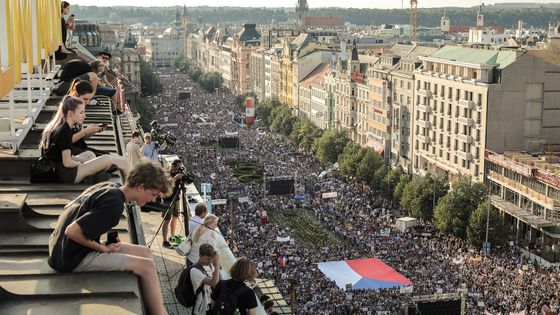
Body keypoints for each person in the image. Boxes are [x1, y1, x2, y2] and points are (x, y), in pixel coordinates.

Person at [48, 160, 172, 315]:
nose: (153, 200)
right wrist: (102, 248)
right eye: (153, 194)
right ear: (141, 187)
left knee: (146, 253)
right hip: (70, 259)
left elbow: (69, 208)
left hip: (60, 248)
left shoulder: (109, 187)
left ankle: (152, 301)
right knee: (147, 266)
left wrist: (100, 241)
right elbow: (71, 231)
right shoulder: (115, 205)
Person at [39, 96, 130, 183]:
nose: (84, 116)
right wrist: (86, 164)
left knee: (90, 155)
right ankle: (94, 173)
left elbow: (68, 157)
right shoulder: (65, 131)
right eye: (81, 112)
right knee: (107, 159)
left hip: (61, 171)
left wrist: (90, 163)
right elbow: (67, 162)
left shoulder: (62, 127)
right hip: (66, 175)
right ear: (70, 113)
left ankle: (93, 175)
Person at [190, 243, 221, 315]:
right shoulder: (194, 271)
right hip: (200, 308)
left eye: (211, 259)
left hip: (208, 303)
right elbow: (213, 283)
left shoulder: (208, 265)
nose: (210, 261)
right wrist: (217, 265)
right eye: (208, 259)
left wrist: (216, 260)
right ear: (200, 255)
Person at [162, 159, 184, 248]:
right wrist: (175, 178)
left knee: (175, 217)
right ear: (173, 166)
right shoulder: (166, 173)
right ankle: (164, 241)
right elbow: (167, 185)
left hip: (176, 198)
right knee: (167, 219)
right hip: (168, 199)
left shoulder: (178, 173)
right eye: (177, 167)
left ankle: (172, 236)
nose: (178, 170)